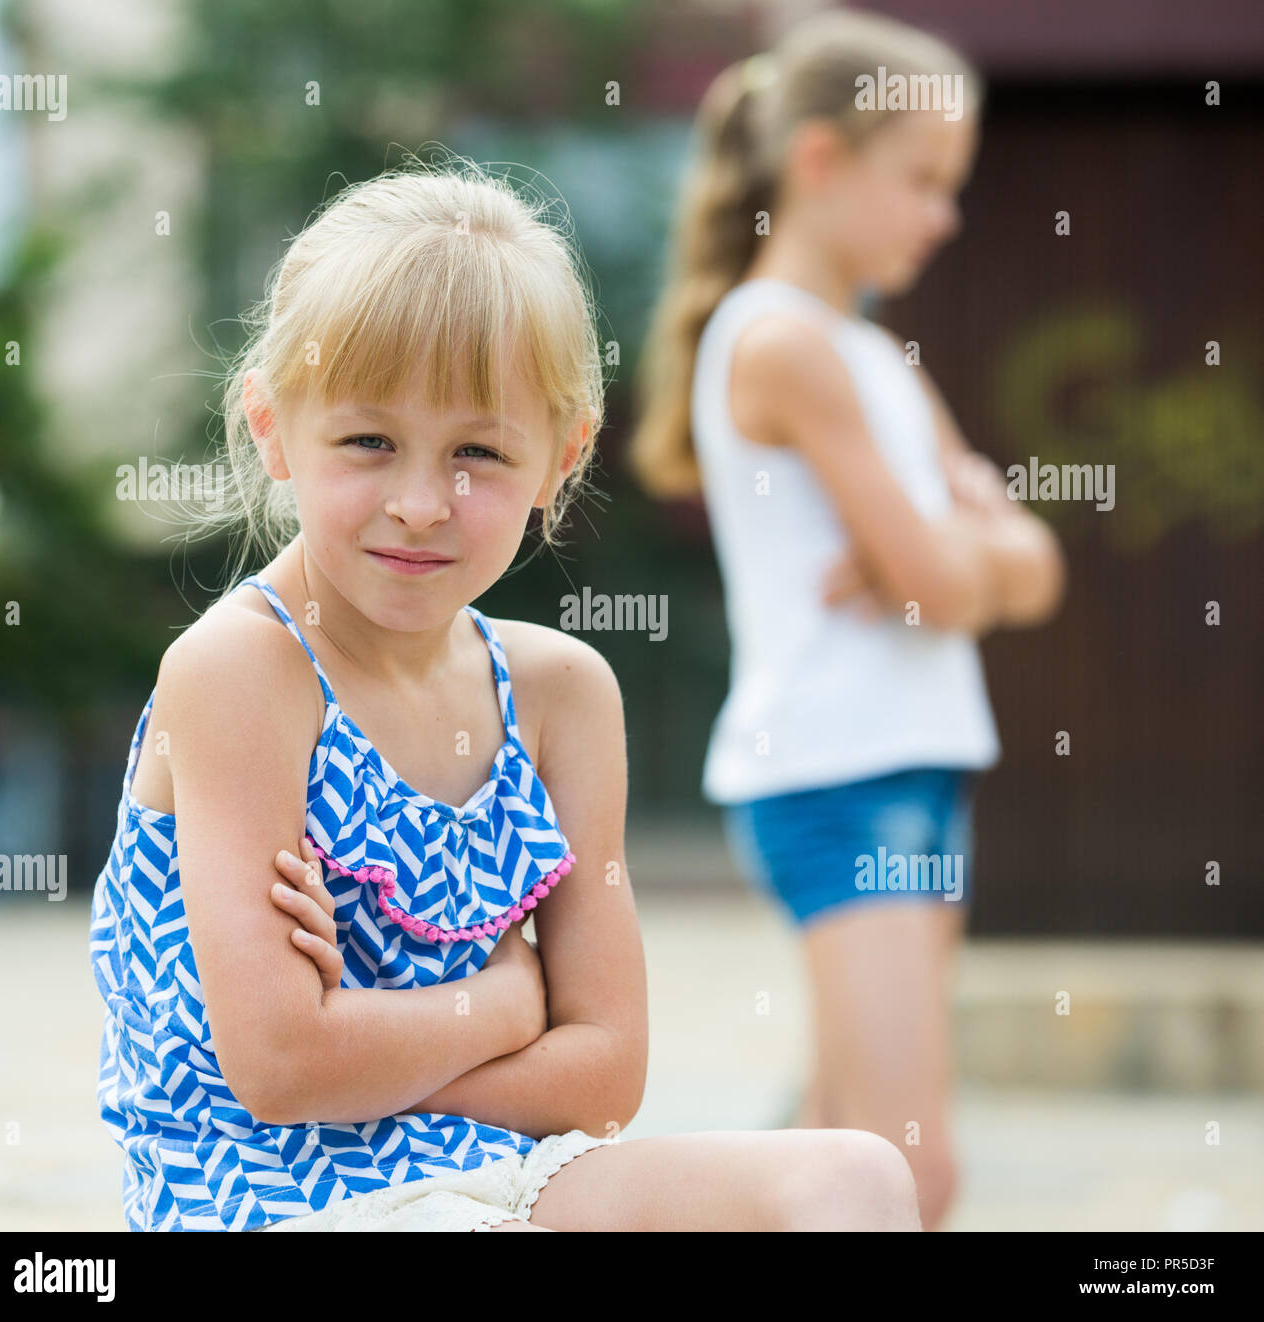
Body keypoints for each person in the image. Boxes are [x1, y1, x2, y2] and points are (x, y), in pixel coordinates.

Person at [88, 160, 922, 1232]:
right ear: (271, 424)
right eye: (368, 441)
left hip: (500, 1179)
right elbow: (283, 1069)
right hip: (269, 1196)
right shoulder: (243, 669)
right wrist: (505, 1004)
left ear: (560, 457)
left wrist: (377, 1040)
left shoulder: (560, 692)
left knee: (855, 1177)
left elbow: (606, 1075)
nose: (423, 502)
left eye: (478, 451)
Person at [630, 11, 1066, 1231]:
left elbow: (1031, 571)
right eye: (921, 180)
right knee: (908, 1169)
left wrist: (946, 555)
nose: (944, 214)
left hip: (917, 763)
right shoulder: (780, 346)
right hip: (839, 772)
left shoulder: (870, 353)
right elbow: (954, 582)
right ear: (819, 163)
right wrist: (948, 552)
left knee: (834, 1148)